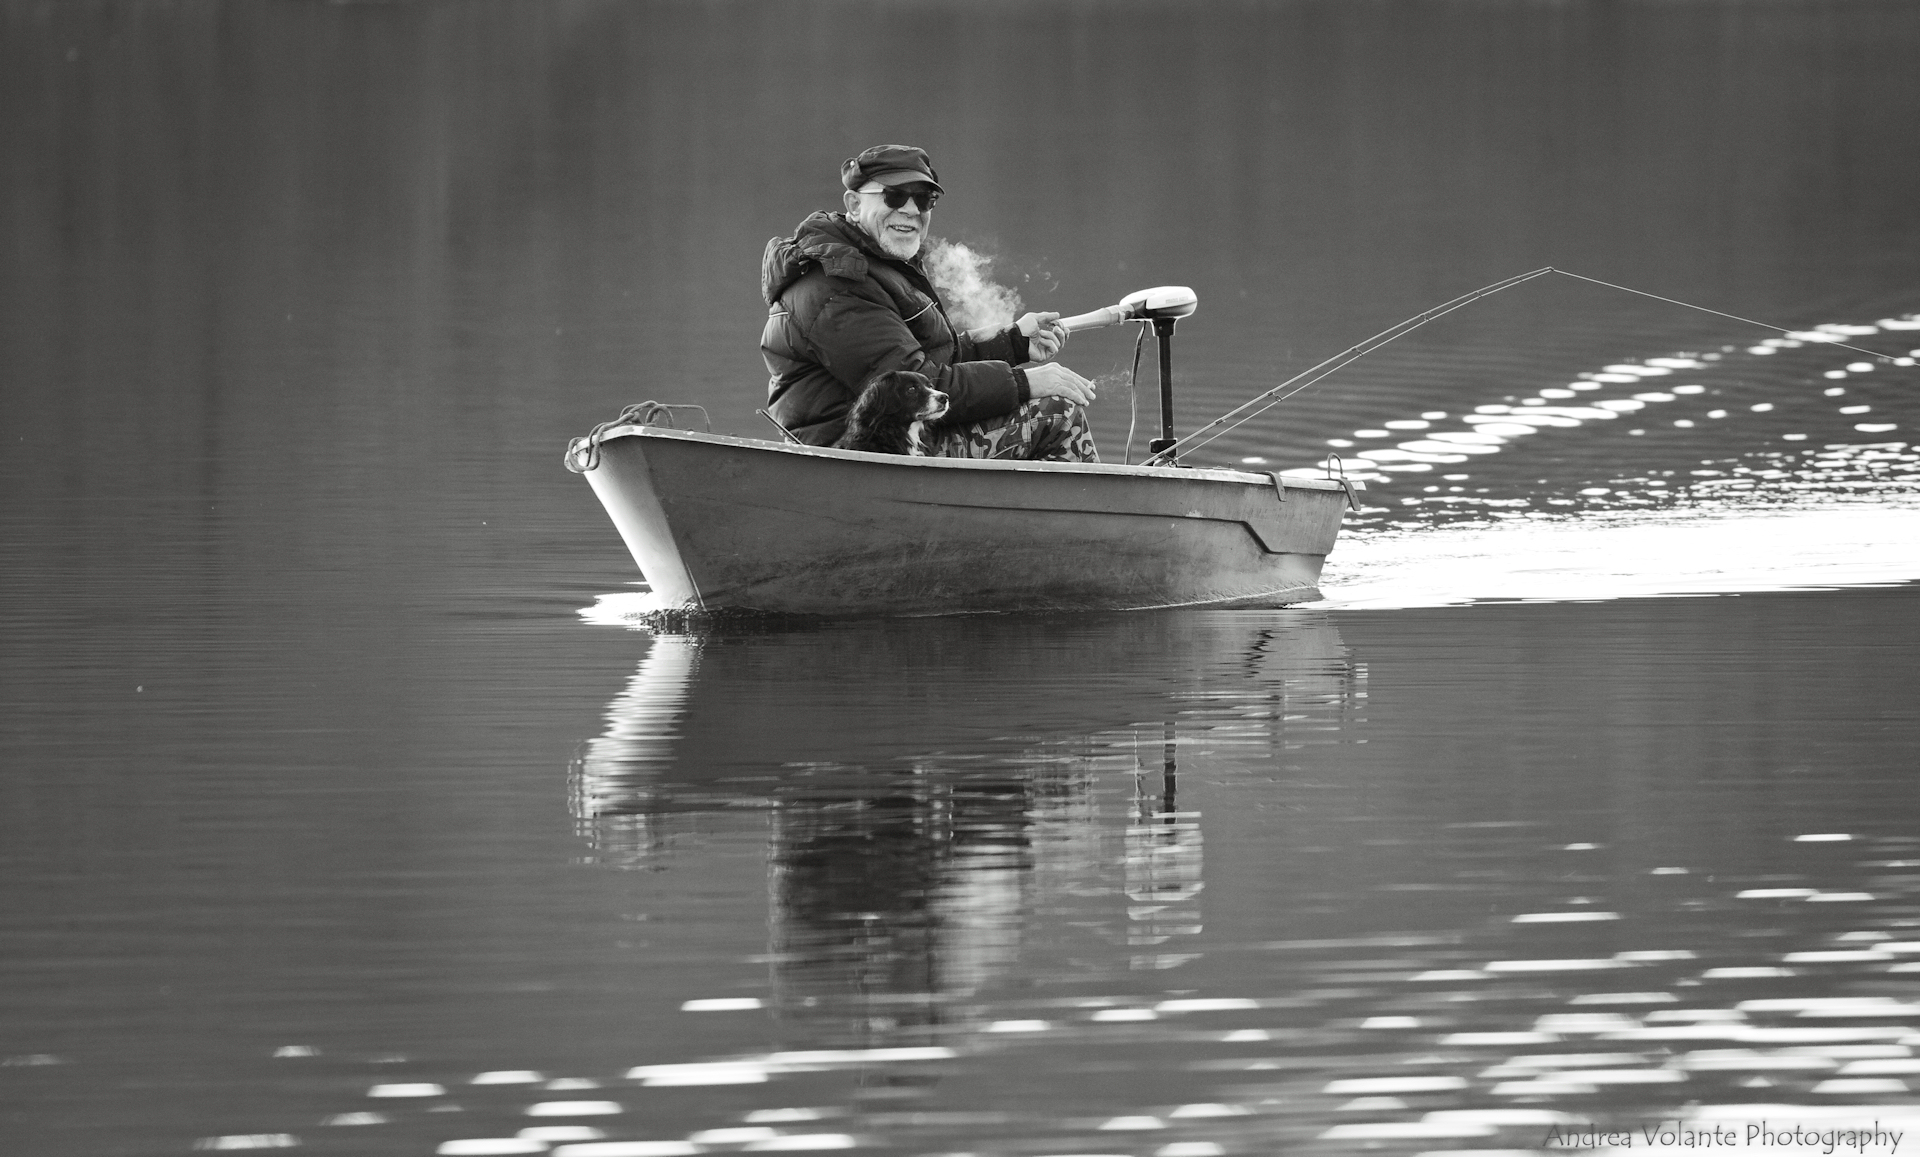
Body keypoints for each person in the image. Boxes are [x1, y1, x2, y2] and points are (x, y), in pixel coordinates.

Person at [760, 144, 1100, 460]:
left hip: (902, 440)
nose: (910, 210)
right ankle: (1098, 519)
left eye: (923, 199)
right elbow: (917, 381)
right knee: (1057, 412)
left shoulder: (878, 266)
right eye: (894, 196)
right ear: (854, 204)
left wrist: (1013, 343)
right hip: (855, 461)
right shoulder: (837, 284)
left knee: (1047, 406)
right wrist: (1024, 382)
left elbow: (928, 366)